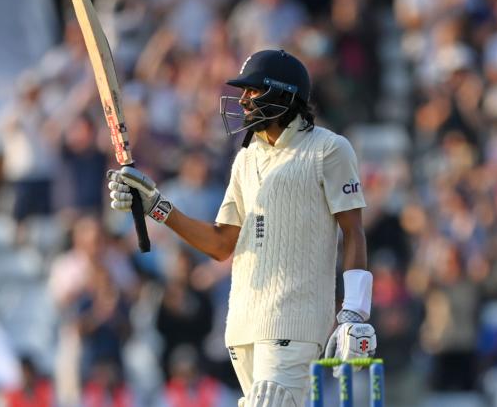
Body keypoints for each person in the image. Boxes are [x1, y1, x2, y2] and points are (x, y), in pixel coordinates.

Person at [107, 49, 377, 407]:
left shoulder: (328, 149)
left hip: (294, 319)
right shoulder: (246, 159)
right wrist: (157, 206)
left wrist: (354, 311)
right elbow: (221, 244)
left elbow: (352, 229)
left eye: (253, 91)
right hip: (243, 325)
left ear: (284, 94)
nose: (244, 100)